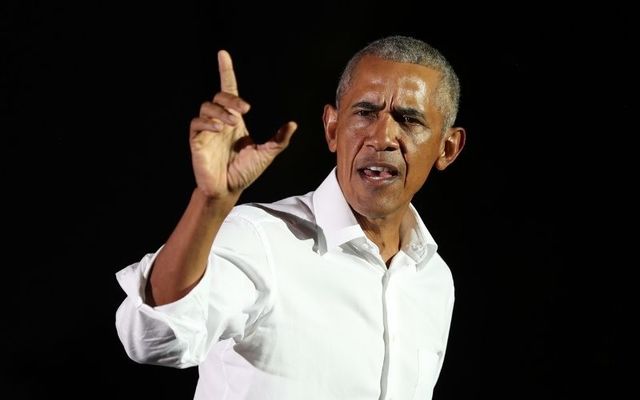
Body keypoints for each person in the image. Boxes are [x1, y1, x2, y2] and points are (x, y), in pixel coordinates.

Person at [115, 35, 466, 400]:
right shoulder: (259, 239)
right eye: (364, 113)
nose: (383, 137)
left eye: (408, 119)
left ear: (448, 148)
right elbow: (151, 338)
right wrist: (209, 204)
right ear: (332, 128)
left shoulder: (433, 279)